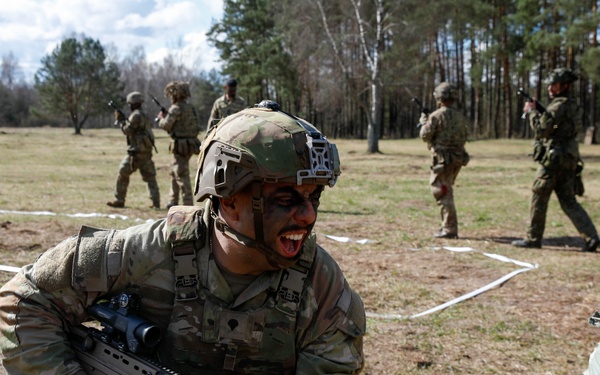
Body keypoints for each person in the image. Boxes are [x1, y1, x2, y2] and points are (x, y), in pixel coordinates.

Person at [0, 100, 366, 374]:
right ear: (229, 199)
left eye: (314, 197)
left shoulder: (324, 291)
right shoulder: (146, 251)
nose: (308, 215)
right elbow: (23, 300)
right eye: (286, 199)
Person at [512, 68, 600, 252]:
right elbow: (559, 126)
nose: (550, 88)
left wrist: (532, 112)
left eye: (554, 84)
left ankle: (533, 238)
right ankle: (591, 237)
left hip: (553, 160)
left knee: (539, 195)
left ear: (565, 86)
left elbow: (541, 130)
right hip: (568, 158)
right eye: (550, 84)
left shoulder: (557, 106)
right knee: (569, 201)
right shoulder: (573, 105)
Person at [419, 82, 470, 239]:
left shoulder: (436, 116)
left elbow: (424, 136)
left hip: (442, 161)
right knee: (446, 189)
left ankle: (449, 228)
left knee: (442, 191)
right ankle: (446, 225)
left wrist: (424, 123)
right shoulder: (460, 117)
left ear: (439, 97)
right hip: (457, 159)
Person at [107, 91, 160, 209]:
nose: (129, 106)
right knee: (150, 177)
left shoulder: (135, 115)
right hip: (146, 151)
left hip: (136, 152)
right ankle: (156, 202)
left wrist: (121, 121)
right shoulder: (144, 115)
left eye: (130, 104)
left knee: (123, 172)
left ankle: (119, 199)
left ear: (134, 104)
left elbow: (128, 130)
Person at [157, 81, 202, 209]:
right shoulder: (190, 107)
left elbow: (166, 125)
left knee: (181, 174)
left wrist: (161, 118)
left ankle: (188, 204)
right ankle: (173, 200)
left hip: (180, 145)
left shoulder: (176, 108)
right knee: (174, 171)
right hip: (191, 143)